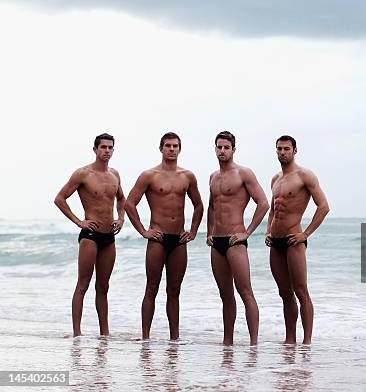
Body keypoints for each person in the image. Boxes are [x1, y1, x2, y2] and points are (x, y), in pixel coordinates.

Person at [126, 132, 204, 340]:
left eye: (175, 146)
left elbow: (199, 205)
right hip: (157, 239)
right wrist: (143, 231)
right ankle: (145, 337)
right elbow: (129, 203)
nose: (171, 149)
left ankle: (175, 339)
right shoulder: (149, 175)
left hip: (178, 239)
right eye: (168, 145)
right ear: (161, 148)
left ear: (180, 149)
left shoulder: (187, 176)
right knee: (152, 287)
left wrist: (194, 231)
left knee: (174, 290)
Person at [54, 133, 125, 337]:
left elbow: (121, 199)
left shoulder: (114, 175)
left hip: (108, 237)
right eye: (103, 147)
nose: (107, 151)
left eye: (110, 147)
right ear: (95, 150)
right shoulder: (83, 174)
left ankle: (105, 334)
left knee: (103, 286)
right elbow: (60, 199)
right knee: (83, 284)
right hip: (90, 236)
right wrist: (79, 221)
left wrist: (120, 218)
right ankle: (77, 333)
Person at [266, 135, 330, 344]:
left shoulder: (304, 175)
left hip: (294, 241)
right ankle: (290, 339)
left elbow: (323, 206)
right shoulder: (275, 179)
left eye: (286, 149)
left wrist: (305, 234)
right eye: (279, 149)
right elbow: (273, 209)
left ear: (295, 151)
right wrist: (268, 231)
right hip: (275, 243)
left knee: (300, 291)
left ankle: (307, 342)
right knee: (284, 293)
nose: (282, 152)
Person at [207, 131, 269, 345]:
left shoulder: (244, 174)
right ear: (215, 149)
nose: (222, 151)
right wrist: (209, 232)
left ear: (233, 149)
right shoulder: (213, 177)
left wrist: (247, 232)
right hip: (218, 242)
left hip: (236, 241)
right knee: (225, 294)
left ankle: (254, 344)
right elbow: (212, 206)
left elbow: (263, 203)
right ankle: (228, 343)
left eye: (226, 147)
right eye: (219, 147)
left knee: (245, 292)